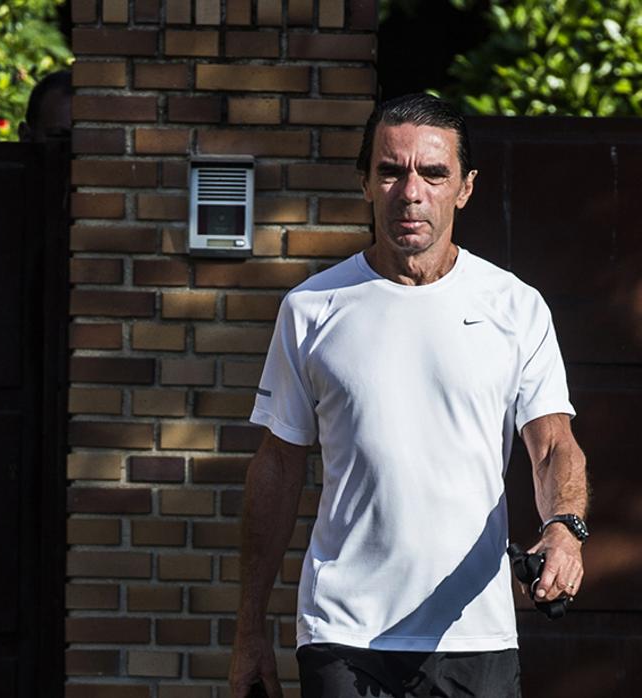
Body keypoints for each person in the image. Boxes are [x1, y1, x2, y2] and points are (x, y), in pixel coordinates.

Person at [229, 93, 589, 698]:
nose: (410, 190)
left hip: (473, 632)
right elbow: (277, 466)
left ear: (465, 187)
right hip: (343, 632)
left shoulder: (514, 306)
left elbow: (553, 444)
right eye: (391, 171)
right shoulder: (311, 309)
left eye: (433, 172)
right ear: (366, 183)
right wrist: (248, 632)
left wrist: (564, 528)